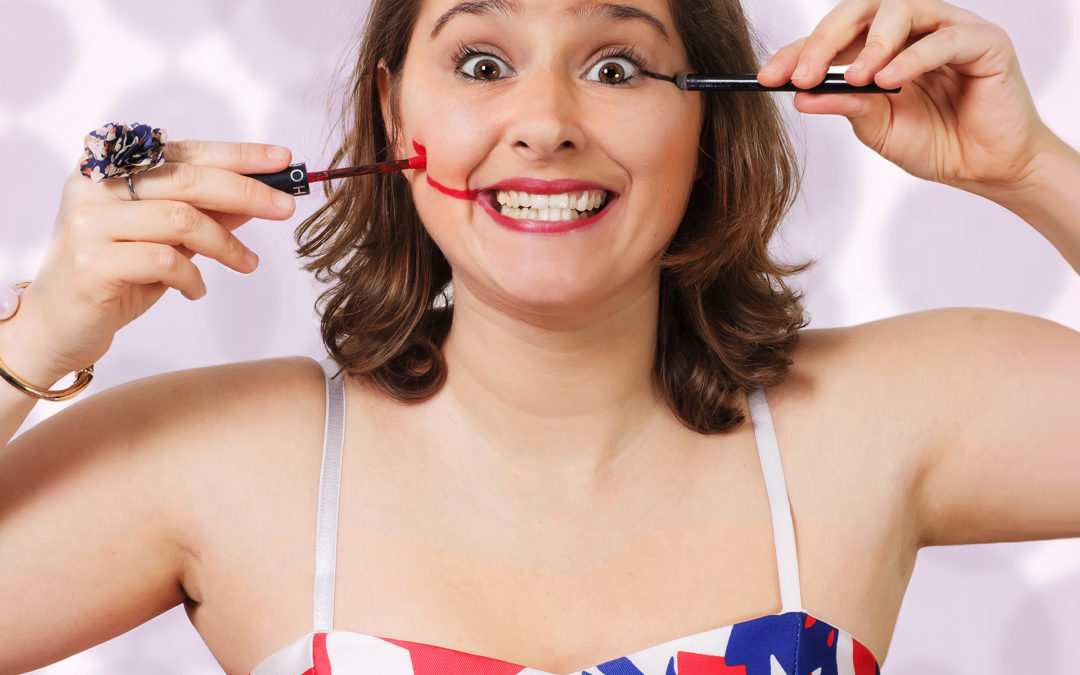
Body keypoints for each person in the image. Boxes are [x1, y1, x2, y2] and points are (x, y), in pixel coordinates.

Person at [2, 0, 1078, 673]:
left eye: (615, 67)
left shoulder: (882, 419)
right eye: (480, 63)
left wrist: (1032, 168)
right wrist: (38, 336)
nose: (546, 120)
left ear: (709, 122)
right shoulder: (219, 458)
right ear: (392, 113)